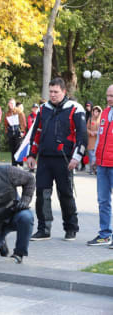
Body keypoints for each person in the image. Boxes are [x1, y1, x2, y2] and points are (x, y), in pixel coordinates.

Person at [27, 77, 87, 241]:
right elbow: (36, 133)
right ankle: (43, 229)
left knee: (65, 194)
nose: (52, 95)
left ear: (64, 92)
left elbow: (82, 136)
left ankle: (71, 228)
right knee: (42, 194)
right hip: (45, 159)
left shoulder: (75, 108)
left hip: (65, 159)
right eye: (51, 92)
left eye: (56, 92)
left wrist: (77, 157)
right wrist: (32, 155)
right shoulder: (42, 109)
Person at [87, 85, 113, 247]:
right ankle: (104, 234)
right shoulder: (104, 113)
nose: (109, 99)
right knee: (103, 200)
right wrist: (96, 157)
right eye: (108, 95)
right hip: (102, 165)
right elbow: (100, 138)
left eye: (112, 96)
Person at [4, 98, 26, 167]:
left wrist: (22, 131)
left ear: (15, 104)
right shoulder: (7, 113)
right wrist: (7, 131)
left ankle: (20, 164)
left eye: (12, 103)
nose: (11, 105)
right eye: (10, 103)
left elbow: (23, 122)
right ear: (8, 104)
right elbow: (5, 124)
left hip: (18, 132)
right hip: (11, 133)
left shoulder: (19, 112)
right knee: (12, 149)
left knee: (18, 149)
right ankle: (14, 164)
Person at [87, 106, 102, 175]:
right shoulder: (90, 119)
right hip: (91, 141)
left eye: (97, 111)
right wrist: (90, 132)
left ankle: (97, 169)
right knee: (91, 155)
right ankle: (91, 169)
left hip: (99, 141)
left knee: (98, 155)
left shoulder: (102, 120)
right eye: (94, 111)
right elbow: (86, 129)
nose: (95, 113)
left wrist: (97, 132)